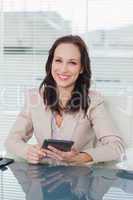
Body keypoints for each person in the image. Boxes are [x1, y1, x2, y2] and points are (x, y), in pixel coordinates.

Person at [5, 35, 125, 165]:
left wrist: (80, 157)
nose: (63, 69)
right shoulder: (35, 98)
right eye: (58, 60)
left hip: (79, 179)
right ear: (51, 63)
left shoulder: (93, 101)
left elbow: (116, 147)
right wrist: (27, 151)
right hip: (43, 179)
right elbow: (11, 141)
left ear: (82, 68)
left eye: (72, 63)